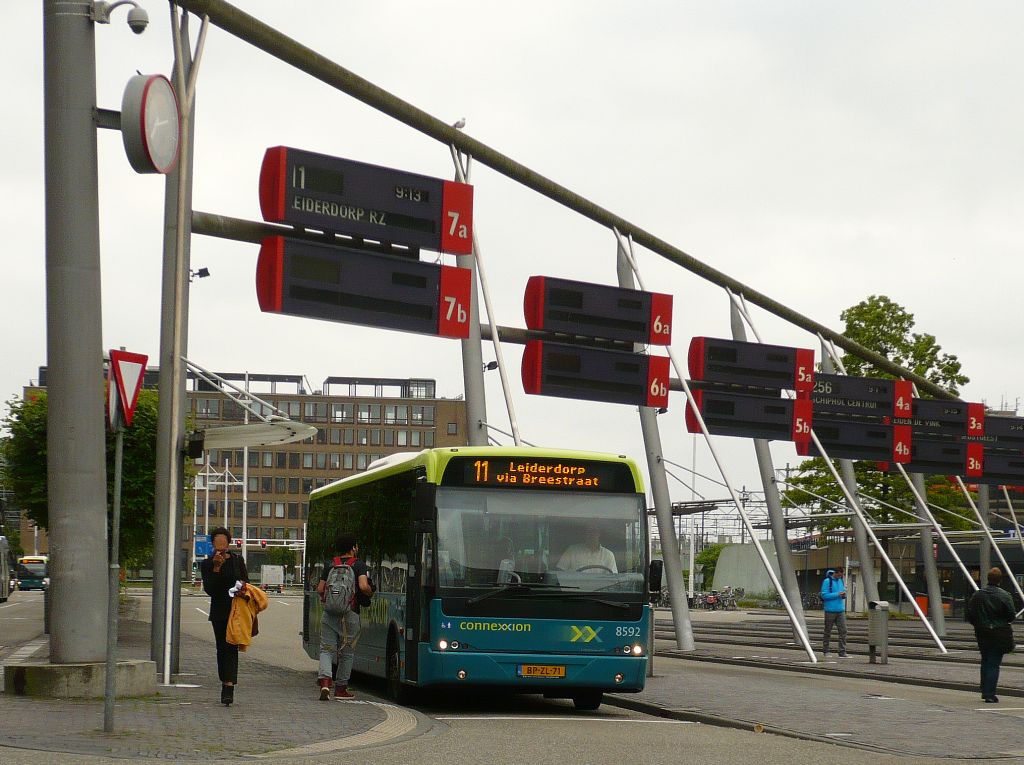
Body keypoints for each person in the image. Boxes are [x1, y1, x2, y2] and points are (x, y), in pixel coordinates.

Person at [317, 535, 374, 700]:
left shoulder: (330, 564)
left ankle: (326, 684)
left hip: (329, 613)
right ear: (353, 548)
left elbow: (321, 589)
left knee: (326, 649)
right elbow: (363, 586)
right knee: (347, 652)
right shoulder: (358, 564)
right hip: (350, 612)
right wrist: (370, 592)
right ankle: (341, 689)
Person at [199, 527, 249, 706]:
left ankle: (229, 687)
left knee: (232, 647)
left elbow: (246, 581)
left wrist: (242, 587)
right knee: (222, 647)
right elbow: (210, 590)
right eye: (217, 545)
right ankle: (224, 681)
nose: (220, 549)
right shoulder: (207, 564)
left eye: (223, 545)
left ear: (228, 543)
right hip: (219, 611)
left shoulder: (237, 560)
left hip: (236, 610)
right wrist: (217, 567)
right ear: (212, 544)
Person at [966, 566, 1017, 703]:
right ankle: (989, 693)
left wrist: (979, 624)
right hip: (999, 633)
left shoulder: (977, 595)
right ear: (1000, 580)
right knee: (994, 663)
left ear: (988, 579)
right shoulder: (1005, 596)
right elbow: (1011, 615)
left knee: (985, 660)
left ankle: (984, 689)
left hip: (982, 632)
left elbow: (970, 614)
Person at [820, 567, 848, 658]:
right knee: (828, 631)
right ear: (835, 573)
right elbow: (824, 595)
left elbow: (842, 592)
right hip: (830, 610)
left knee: (843, 631)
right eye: (839, 575)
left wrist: (843, 595)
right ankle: (826, 650)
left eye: (842, 575)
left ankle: (842, 652)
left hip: (840, 610)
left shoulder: (840, 581)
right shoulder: (827, 581)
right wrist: (837, 594)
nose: (840, 577)